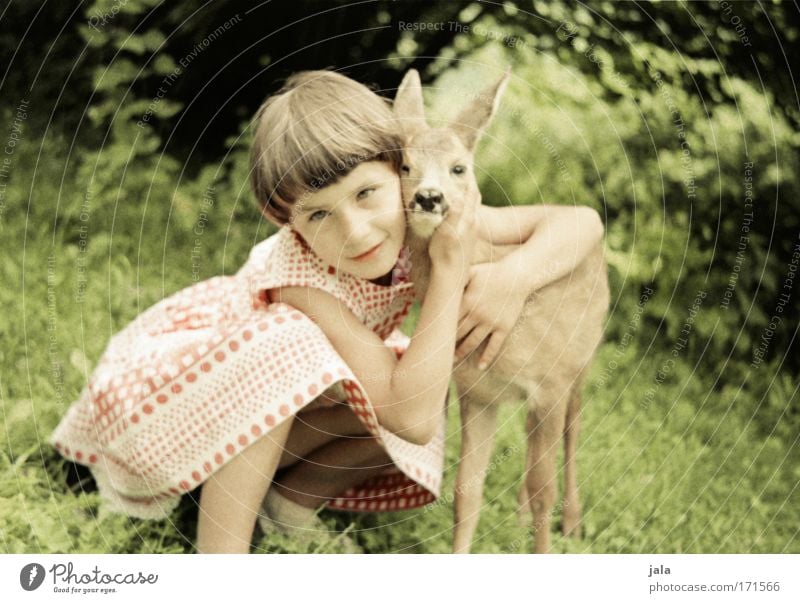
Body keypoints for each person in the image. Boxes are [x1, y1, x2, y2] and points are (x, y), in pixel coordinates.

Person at [50, 69, 604, 554]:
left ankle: (286, 507)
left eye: (366, 193)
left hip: (253, 407)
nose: (356, 231)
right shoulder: (299, 285)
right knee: (314, 356)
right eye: (318, 216)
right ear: (284, 220)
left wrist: (515, 277)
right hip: (163, 410)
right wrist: (452, 271)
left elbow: (581, 222)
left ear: (400, 173)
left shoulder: (420, 209)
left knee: (412, 379)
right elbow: (411, 411)